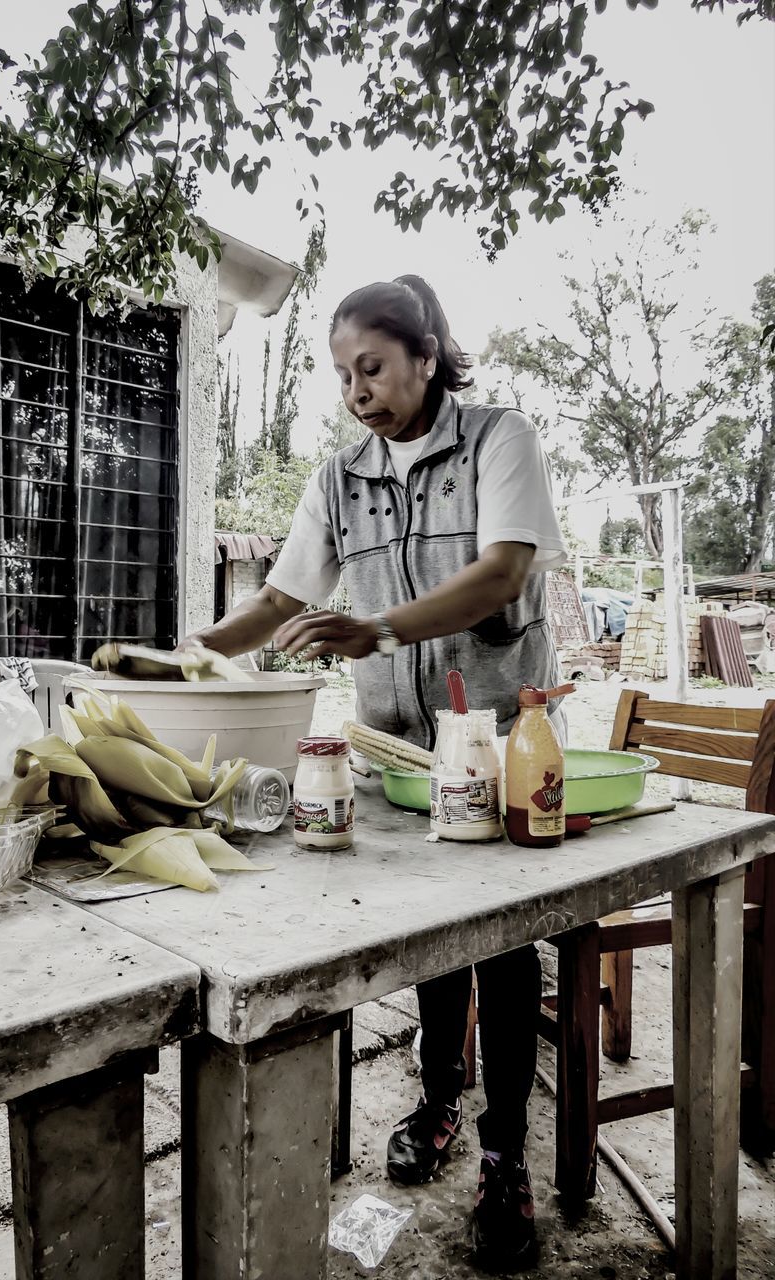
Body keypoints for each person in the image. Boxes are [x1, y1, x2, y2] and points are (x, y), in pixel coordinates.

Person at [182, 275, 567, 1270]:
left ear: (427, 354)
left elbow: (504, 572)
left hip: (492, 733)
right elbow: (280, 599)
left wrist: (380, 624)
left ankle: (503, 1154)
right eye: (344, 373)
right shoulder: (339, 476)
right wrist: (185, 652)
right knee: (430, 942)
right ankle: (439, 1099)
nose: (358, 389)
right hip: (395, 751)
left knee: (506, 945)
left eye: (375, 366)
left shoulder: (499, 441)